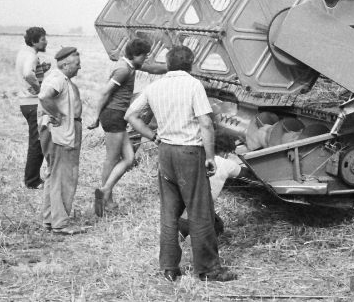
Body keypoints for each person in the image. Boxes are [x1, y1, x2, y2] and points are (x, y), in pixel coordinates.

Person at [125, 45, 237, 282]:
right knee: (200, 211)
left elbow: (131, 116)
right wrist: (209, 156)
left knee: (169, 212)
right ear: (191, 63)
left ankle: (169, 267)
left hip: (165, 152)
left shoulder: (154, 86)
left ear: (167, 64)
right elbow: (206, 124)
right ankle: (208, 269)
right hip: (189, 152)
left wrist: (152, 136)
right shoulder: (193, 85)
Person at [88, 38, 167, 217]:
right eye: (144, 56)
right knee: (112, 158)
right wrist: (96, 117)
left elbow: (153, 69)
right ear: (136, 55)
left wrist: (173, 68)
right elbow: (105, 92)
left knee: (129, 158)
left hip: (118, 116)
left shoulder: (129, 65)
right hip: (114, 115)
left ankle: (105, 190)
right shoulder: (123, 69)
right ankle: (105, 199)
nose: (146, 59)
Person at [38, 47, 87, 235]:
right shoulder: (58, 78)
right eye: (76, 64)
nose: (79, 68)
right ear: (65, 64)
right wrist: (57, 115)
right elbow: (44, 96)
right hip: (62, 132)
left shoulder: (60, 78)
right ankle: (61, 223)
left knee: (55, 175)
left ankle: (50, 220)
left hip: (61, 130)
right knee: (64, 177)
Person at [178, 131, 253, 239]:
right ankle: (192, 234)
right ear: (227, 151)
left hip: (181, 211)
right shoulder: (226, 163)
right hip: (197, 218)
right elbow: (248, 173)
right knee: (217, 227)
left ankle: (182, 230)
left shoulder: (198, 156)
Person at [15, 27, 51, 189]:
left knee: (36, 140)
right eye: (43, 39)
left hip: (25, 103)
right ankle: (32, 181)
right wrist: (39, 89)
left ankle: (32, 178)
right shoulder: (31, 55)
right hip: (33, 102)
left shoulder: (23, 53)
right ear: (35, 41)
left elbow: (30, 72)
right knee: (37, 142)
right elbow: (28, 74)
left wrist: (42, 69)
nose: (46, 42)